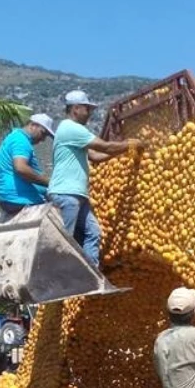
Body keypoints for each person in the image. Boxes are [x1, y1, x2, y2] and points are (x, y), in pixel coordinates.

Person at [48, 89, 142, 266]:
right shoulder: (71, 128)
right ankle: (58, 276)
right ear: (75, 108)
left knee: (93, 233)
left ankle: (90, 275)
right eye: (87, 109)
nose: (90, 113)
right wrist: (130, 144)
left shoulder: (72, 132)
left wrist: (120, 152)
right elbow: (105, 147)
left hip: (78, 195)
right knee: (64, 240)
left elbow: (95, 156)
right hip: (66, 193)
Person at [0, 114, 54, 216]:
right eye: (43, 133)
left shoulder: (14, 137)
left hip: (7, 197)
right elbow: (21, 168)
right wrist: (49, 182)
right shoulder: (21, 141)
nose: (43, 139)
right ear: (33, 125)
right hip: (19, 198)